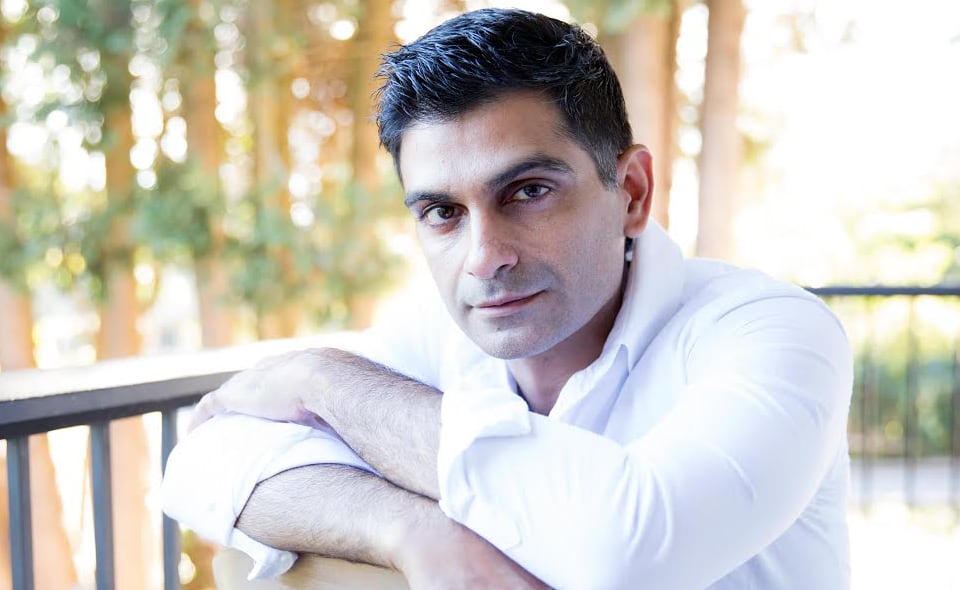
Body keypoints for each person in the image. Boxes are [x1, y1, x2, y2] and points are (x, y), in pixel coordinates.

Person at [162, 8, 853, 590]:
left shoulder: (771, 330)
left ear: (633, 193)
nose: (485, 257)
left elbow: (628, 548)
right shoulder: (434, 334)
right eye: (441, 212)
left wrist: (322, 378)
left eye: (528, 192)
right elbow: (203, 462)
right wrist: (407, 529)